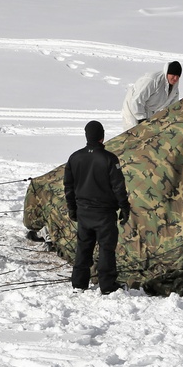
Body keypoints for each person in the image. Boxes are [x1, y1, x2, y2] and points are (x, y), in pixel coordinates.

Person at [64, 120, 131, 294]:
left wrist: (72, 209)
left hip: (84, 212)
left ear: (87, 136)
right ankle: (107, 285)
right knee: (106, 249)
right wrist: (124, 207)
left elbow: (68, 187)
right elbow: (118, 187)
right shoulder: (109, 159)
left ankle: (79, 284)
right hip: (104, 213)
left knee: (83, 248)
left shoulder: (74, 158)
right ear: (102, 137)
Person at [121, 61, 182, 130]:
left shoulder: (174, 90)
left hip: (150, 111)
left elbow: (173, 107)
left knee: (149, 135)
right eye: (173, 75)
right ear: (167, 73)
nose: (175, 78)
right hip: (132, 107)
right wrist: (141, 118)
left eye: (178, 76)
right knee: (133, 133)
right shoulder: (153, 80)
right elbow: (137, 100)